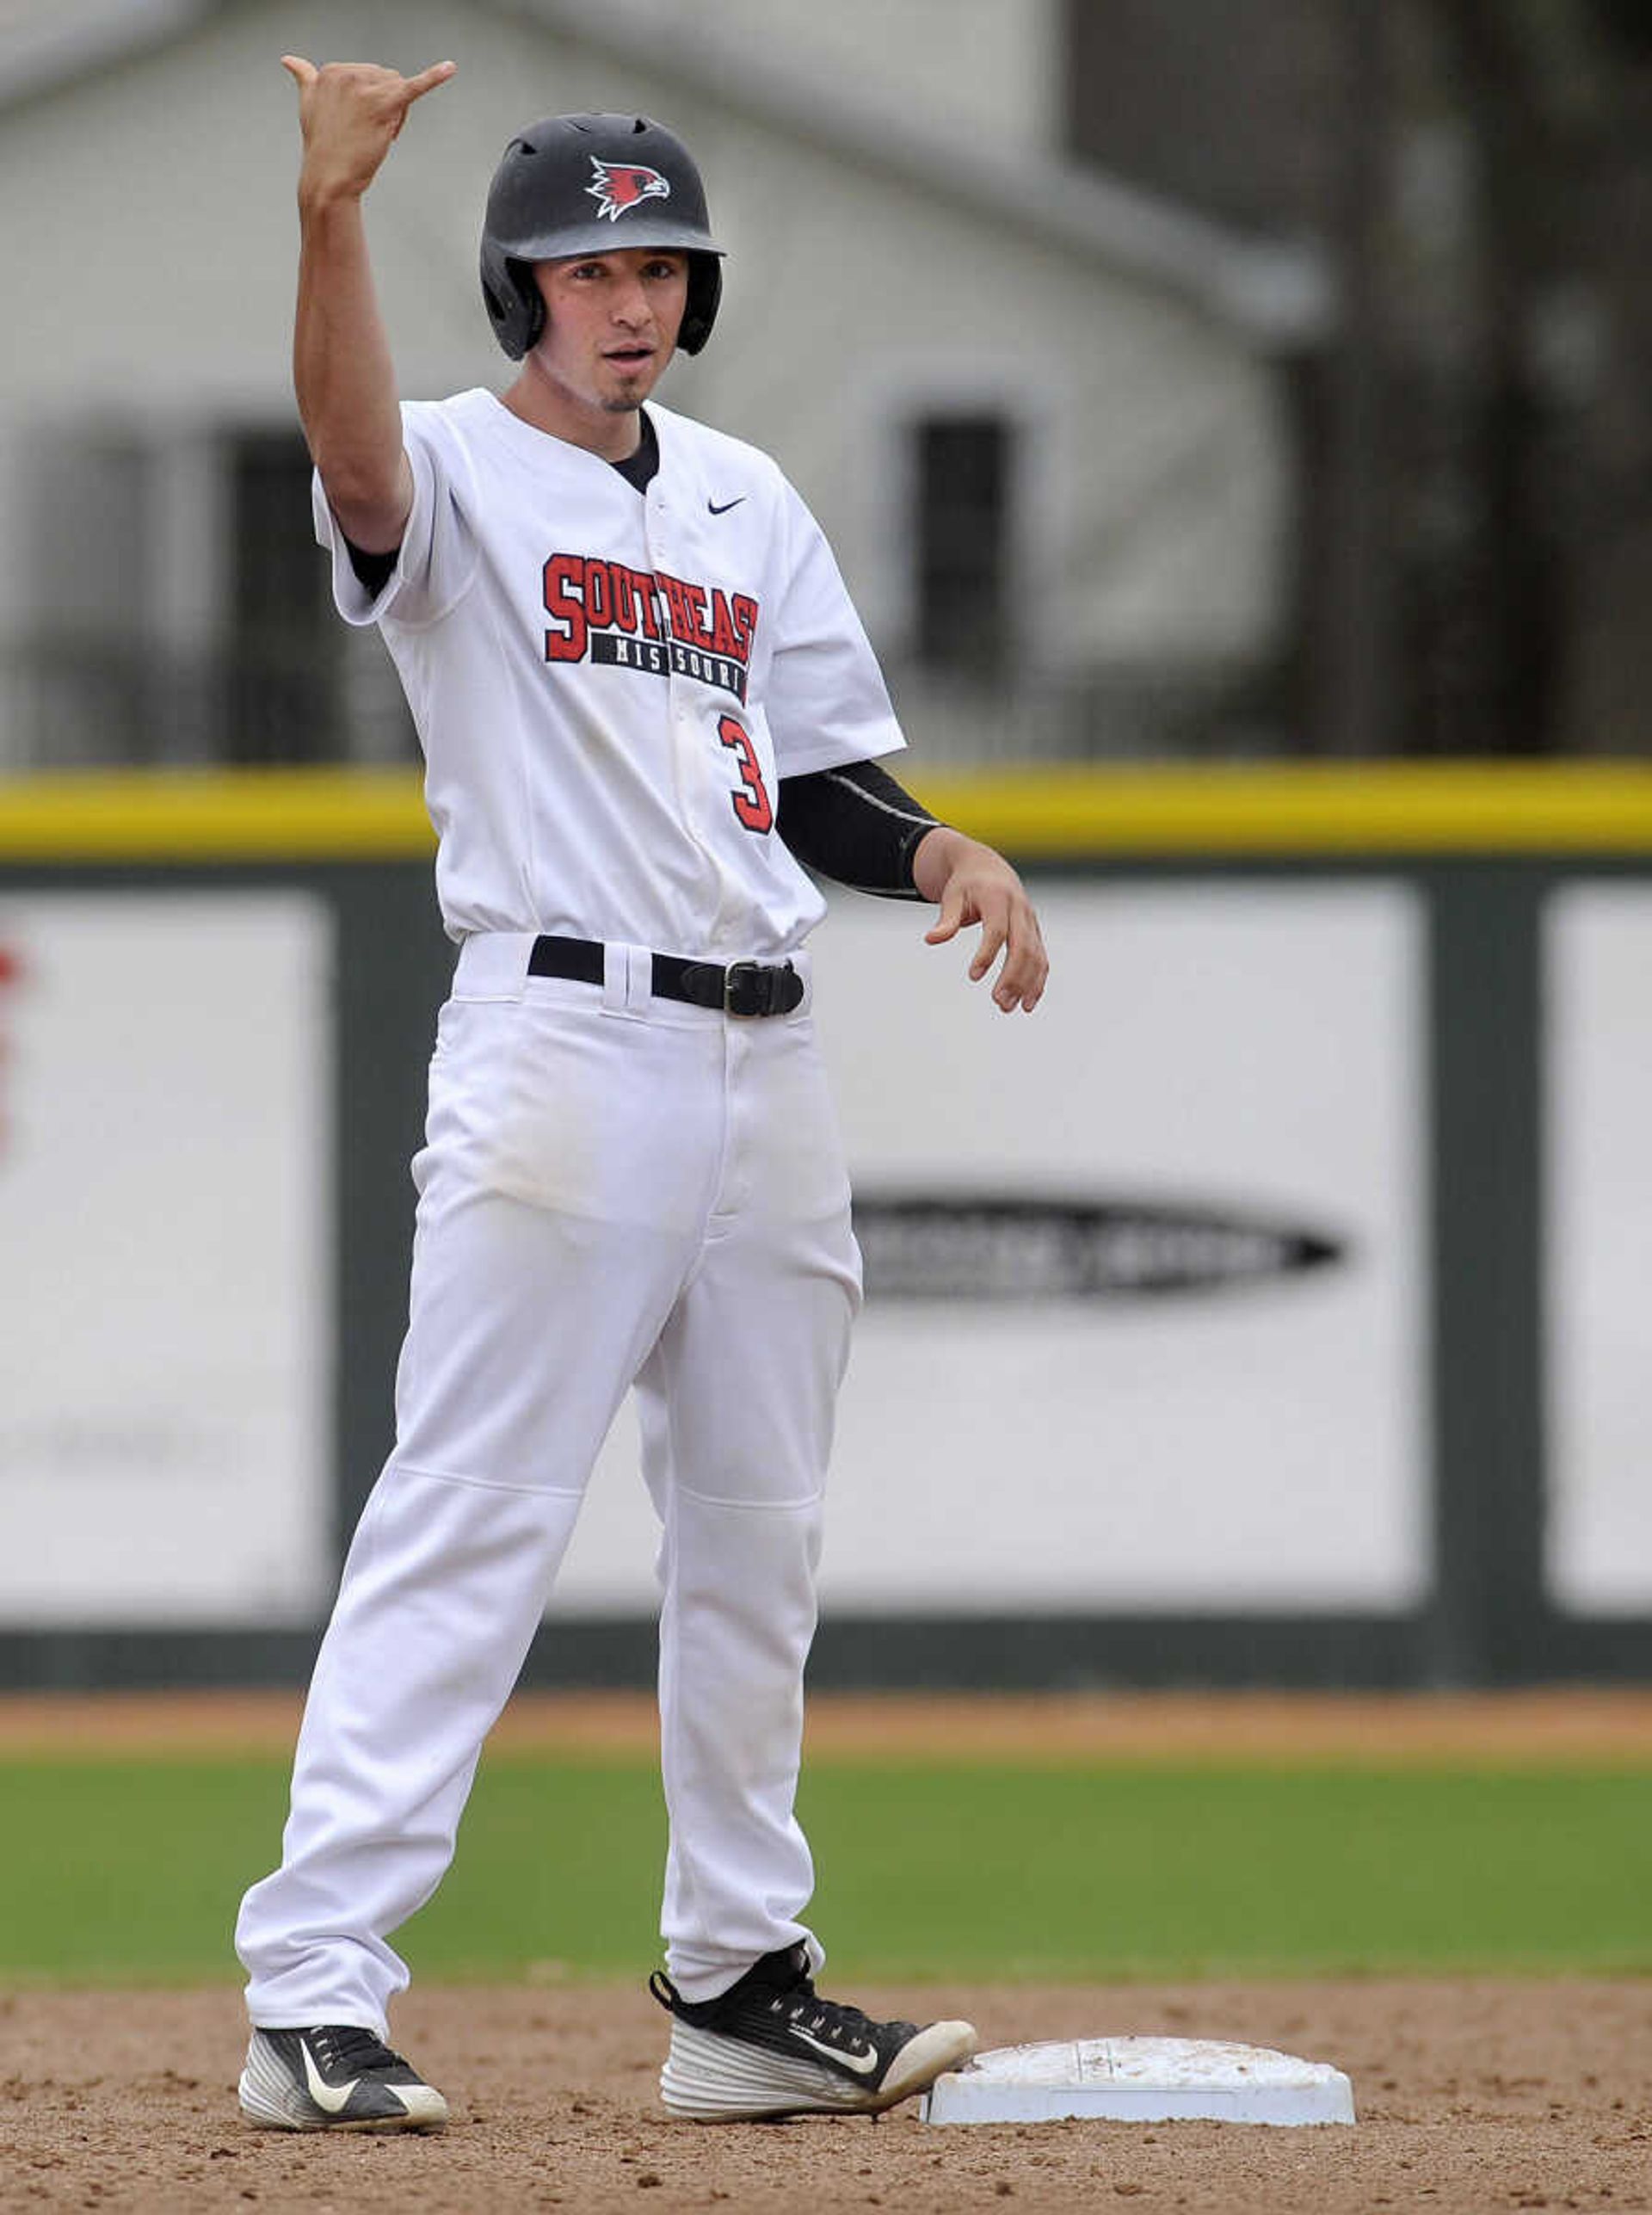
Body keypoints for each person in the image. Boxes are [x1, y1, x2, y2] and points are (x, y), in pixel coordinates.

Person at [235, 56, 1049, 2135]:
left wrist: (942, 847)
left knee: (757, 1532)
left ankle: (738, 1986)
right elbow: (342, 449)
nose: (633, 300)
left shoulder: (742, 499)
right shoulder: (448, 474)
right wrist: (332, 220)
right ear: (519, 290)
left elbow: (830, 778)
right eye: (591, 267)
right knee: (472, 1514)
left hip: (764, 1054)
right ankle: (313, 1986)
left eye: (662, 265)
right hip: (561, 1039)